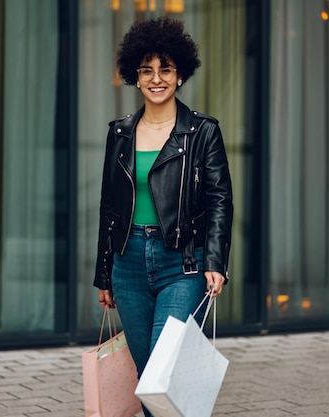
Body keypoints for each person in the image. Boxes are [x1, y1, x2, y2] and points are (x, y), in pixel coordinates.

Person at [93, 16, 233, 417]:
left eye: (166, 69)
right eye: (147, 70)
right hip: (128, 264)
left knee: (163, 373)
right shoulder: (119, 134)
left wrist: (215, 262)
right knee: (147, 378)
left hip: (181, 263)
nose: (157, 79)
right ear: (135, 75)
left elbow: (221, 199)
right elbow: (109, 207)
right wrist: (105, 273)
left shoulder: (202, 132)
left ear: (180, 75)